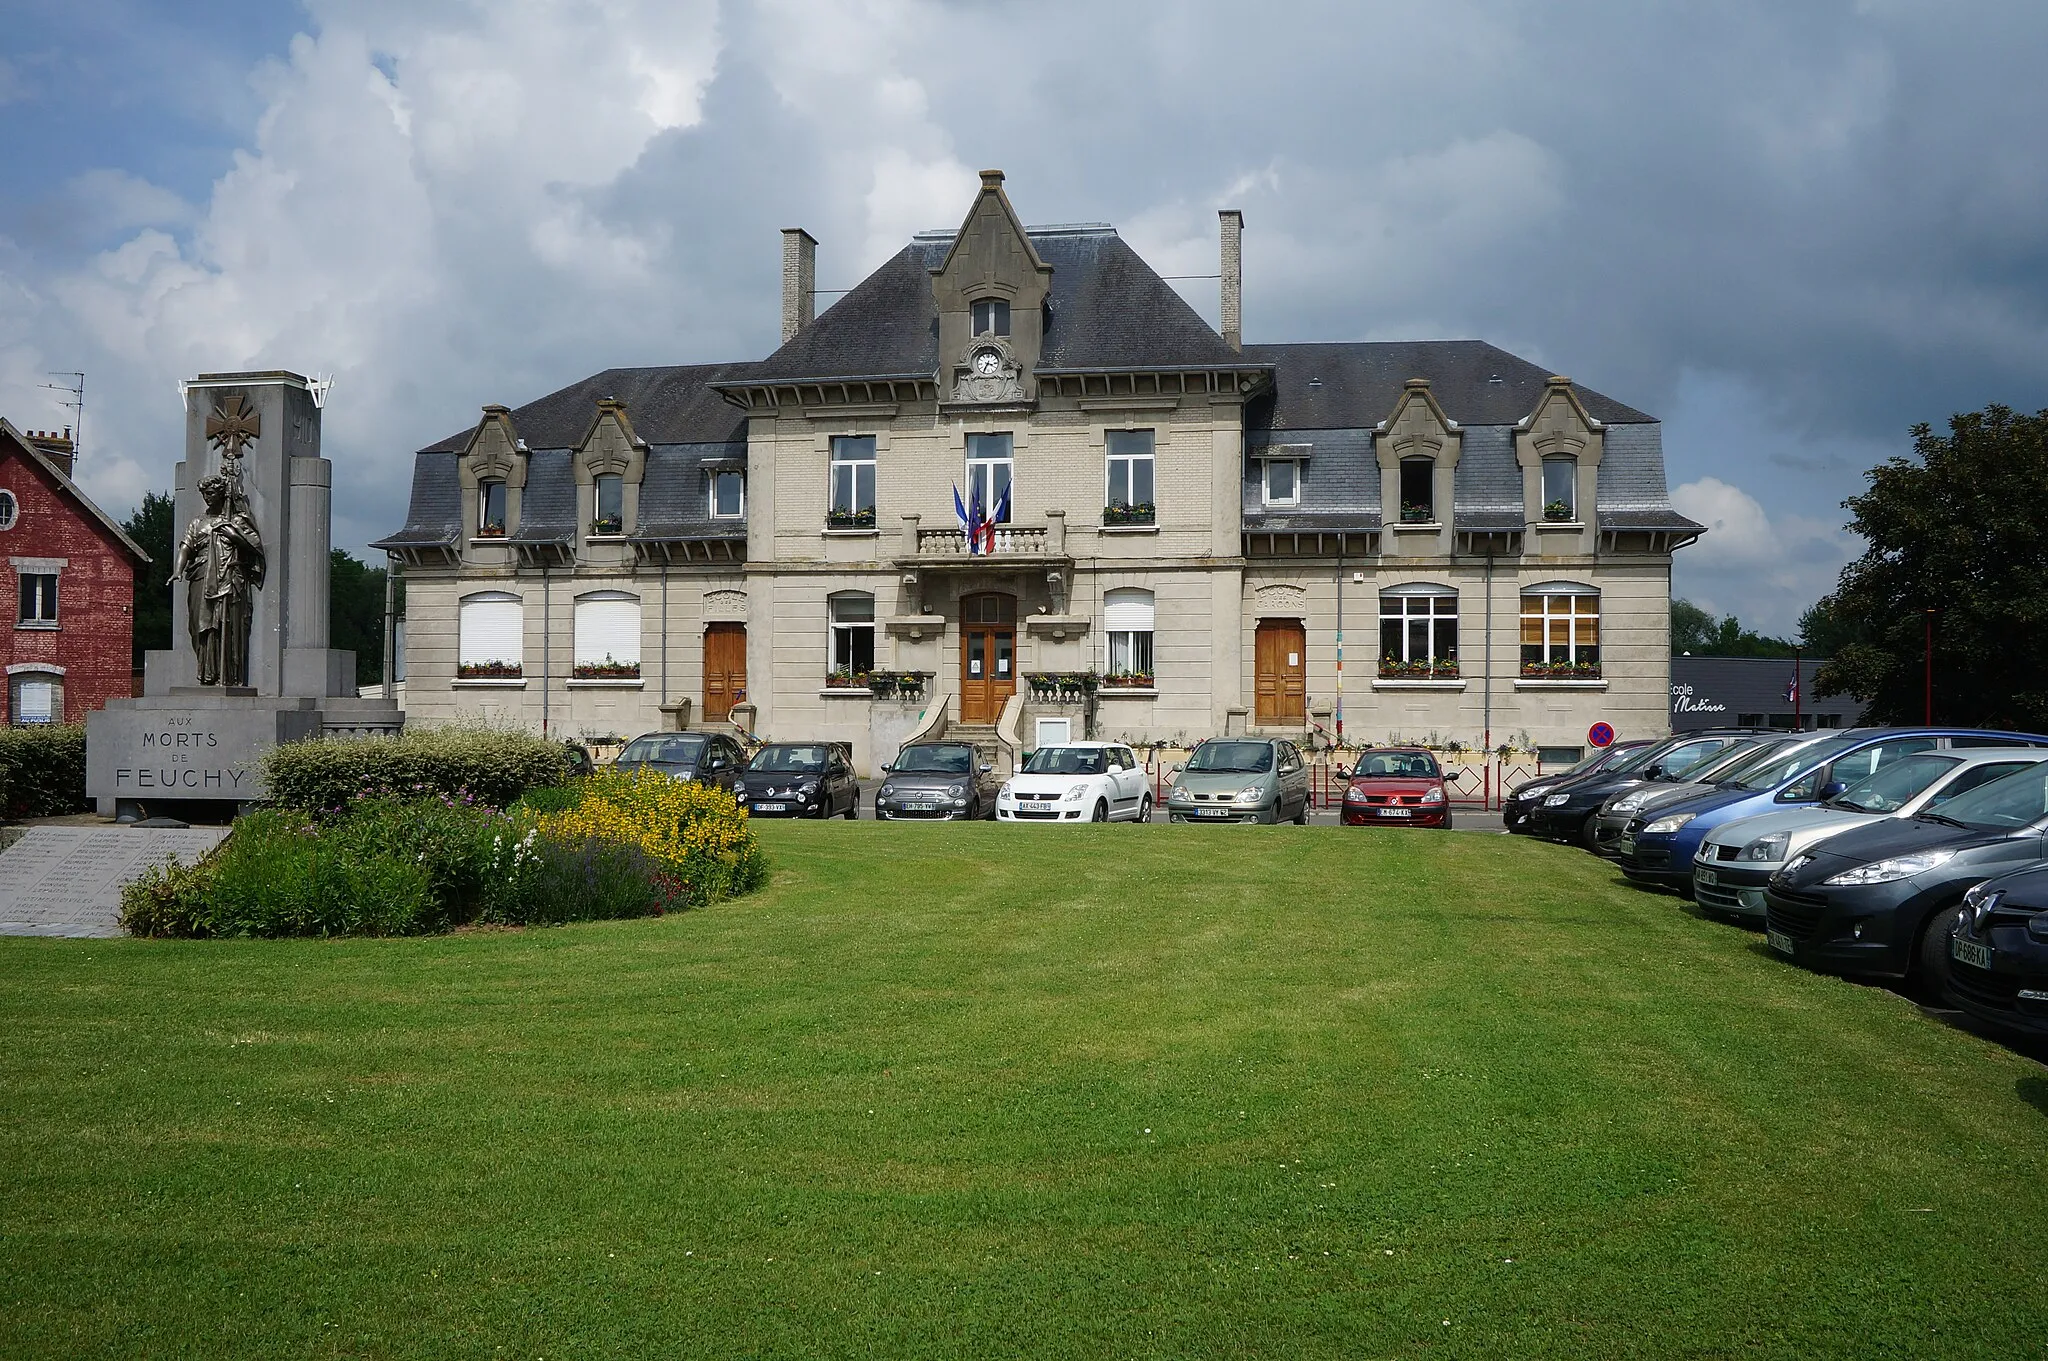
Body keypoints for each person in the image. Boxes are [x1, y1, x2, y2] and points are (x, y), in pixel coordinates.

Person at [176, 474, 266, 686]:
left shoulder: (236, 521)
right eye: (204, 494)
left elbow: (256, 547)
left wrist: (235, 537)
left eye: (211, 493)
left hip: (228, 579)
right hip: (200, 577)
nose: (207, 497)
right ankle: (206, 672)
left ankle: (227, 676)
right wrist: (178, 569)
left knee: (224, 625)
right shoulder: (198, 522)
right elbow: (186, 546)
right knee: (199, 625)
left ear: (221, 493)